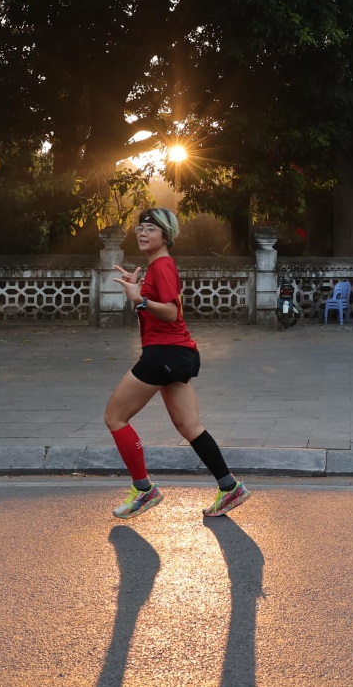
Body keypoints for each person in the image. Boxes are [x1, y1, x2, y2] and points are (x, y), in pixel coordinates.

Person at [103, 207, 249, 519]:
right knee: (189, 426)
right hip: (177, 353)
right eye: (140, 228)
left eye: (151, 229)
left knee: (115, 417)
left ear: (166, 236)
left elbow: (171, 312)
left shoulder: (163, 266)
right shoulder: (157, 267)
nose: (143, 233)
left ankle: (143, 490)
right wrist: (140, 290)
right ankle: (229, 487)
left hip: (164, 354)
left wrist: (138, 299)